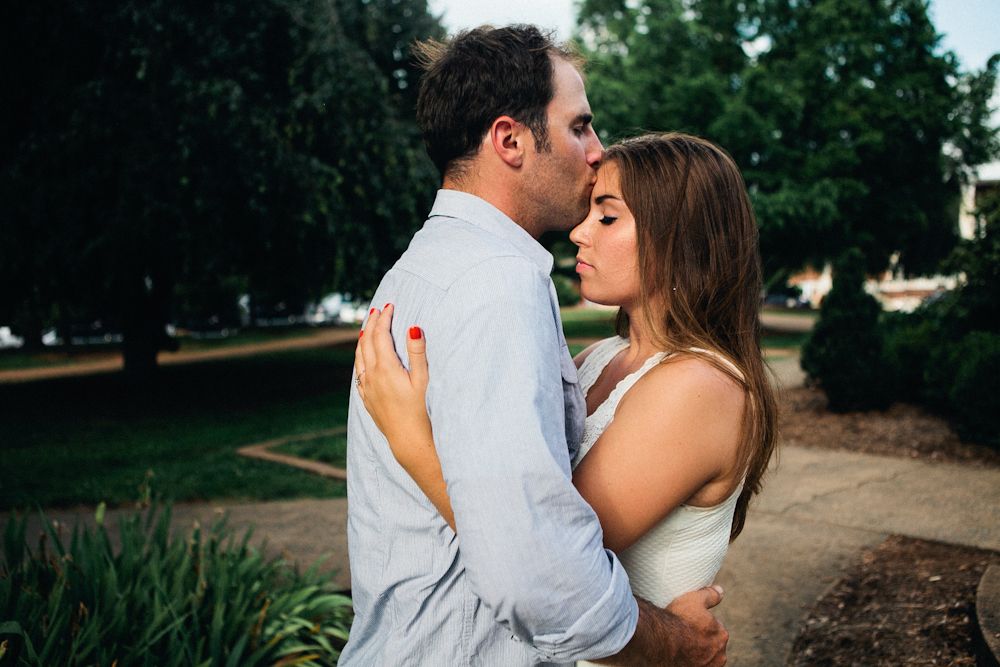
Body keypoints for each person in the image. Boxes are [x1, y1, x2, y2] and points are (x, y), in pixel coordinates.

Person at [340, 25, 728, 667]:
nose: (598, 152)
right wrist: (677, 644)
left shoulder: (424, 265)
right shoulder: (496, 283)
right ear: (510, 140)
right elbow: (535, 560)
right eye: (580, 127)